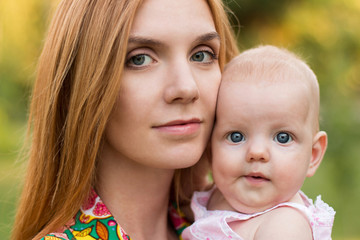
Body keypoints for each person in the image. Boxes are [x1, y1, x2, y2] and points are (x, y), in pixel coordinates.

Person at [11, 0, 239, 239]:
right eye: (140, 58)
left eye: (202, 54)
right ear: (81, 82)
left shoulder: (230, 227)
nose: (187, 87)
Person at [182, 45, 335, 240]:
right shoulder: (213, 196)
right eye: (236, 136)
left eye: (282, 137)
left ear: (313, 155)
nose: (256, 152)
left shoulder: (285, 226)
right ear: (211, 148)